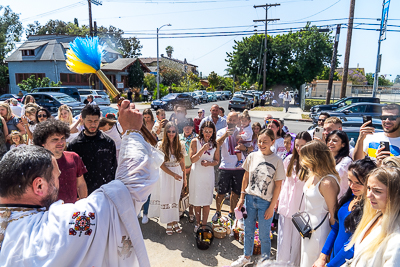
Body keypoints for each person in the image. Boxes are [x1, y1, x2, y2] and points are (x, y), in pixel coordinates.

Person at [0, 99, 163, 266]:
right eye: (56, 176)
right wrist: (132, 132)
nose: (60, 178)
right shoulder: (61, 226)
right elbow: (130, 190)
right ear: (39, 186)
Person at [231, 129, 285, 267]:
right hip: (249, 199)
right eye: (260, 141)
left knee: (264, 236)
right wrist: (241, 197)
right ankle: (246, 257)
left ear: (273, 142)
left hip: (265, 203)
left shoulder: (278, 161)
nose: (261, 144)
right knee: (248, 231)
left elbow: (278, 186)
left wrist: (272, 207)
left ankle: (265, 262)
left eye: (265, 141)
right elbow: (246, 177)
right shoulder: (252, 156)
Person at [313, 158, 377, 267]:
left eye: (358, 183)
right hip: (334, 258)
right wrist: (322, 256)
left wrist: (330, 265)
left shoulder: (370, 209)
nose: (352, 186)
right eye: (350, 180)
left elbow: (352, 247)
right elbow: (336, 228)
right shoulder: (350, 197)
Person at [344, 166, 400, 266]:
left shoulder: (396, 236)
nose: (369, 195)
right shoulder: (376, 216)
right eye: (368, 188)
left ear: (395, 195)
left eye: (377, 191)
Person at [299, 141, 340, 267]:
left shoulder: (327, 182)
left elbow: (334, 216)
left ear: (313, 158)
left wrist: (331, 245)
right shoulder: (312, 175)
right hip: (306, 229)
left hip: (319, 231)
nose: (302, 161)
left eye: (304, 157)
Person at [277, 131, 312, 266]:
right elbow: (284, 182)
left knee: (297, 242)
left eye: (302, 145)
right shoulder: (289, 159)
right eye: (297, 145)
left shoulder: (311, 163)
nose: (299, 148)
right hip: (286, 205)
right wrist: (278, 201)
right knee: (283, 239)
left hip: (301, 207)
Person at [33, 119, 88, 204]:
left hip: (70, 212)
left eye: (63, 138)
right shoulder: (36, 163)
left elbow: (81, 184)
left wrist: (83, 204)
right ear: (42, 142)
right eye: (55, 139)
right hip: (47, 213)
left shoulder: (74, 157)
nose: (61, 142)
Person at [67, 104, 117, 195]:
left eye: (96, 121)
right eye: (89, 121)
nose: (93, 124)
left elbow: (114, 170)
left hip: (105, 194)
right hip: (83, 196)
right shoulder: (74, 145)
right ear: (82, 120)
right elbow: (71, 174)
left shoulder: (108, 142)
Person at [148, 122, 187, 235]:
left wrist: (184, 179)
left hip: (178, 173)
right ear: (165, 132)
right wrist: (173, 174)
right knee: (166, 198)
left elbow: (183, 163)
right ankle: (169, 222)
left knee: (175, 198)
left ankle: (175, 221)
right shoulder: (160, 145)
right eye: (169, 131)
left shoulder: (181, 144)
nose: (171, 134)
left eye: (173, 131)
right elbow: (161, 164)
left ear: (176, 132)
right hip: (166, 174)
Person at [212, 111, 247, 221]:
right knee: (221, 192)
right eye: (229, 120)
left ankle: (231, 212)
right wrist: (225, 135)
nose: (231, 122)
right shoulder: (221, 131)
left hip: (239, 167)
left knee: (235, 192)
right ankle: (218, 212)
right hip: (225, 166)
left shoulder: (243, 132)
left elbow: (250, 147)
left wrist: (244, 148)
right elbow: (216, 143)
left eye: (234, 120)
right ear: (226, 120)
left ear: (238, 121)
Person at [189, 121, 220, 232]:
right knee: (197, 200)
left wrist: (209, 163)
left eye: (210, 132)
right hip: (197, 173)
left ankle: (204, 224)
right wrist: (202, 149)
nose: (208, 134)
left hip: (208, 174)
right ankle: (197, 223)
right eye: (206, 131)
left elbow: (217, 161)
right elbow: (192, 160)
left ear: (213, 132)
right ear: (201, 130)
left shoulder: (215, 144)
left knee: (206, 201)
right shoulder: (195, 141)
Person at [179, 119, 197, 223]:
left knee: (191, 191)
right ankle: (181, 210)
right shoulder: (179, 137)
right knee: (181, 190)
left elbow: (197, 155)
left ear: (192, 127)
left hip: (192, 168)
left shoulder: (196, 138)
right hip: (181, 168)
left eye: (189, 126)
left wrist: (190, 168)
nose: (187, 129)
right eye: (185, 126)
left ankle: (191, 212)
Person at [326, 130, 353, 198]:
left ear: (343, 144)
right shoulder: (325, 159)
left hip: (339, 200)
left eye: (335, 141)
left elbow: (335, 175)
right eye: (328, 140)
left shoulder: (346, 161)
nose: (330, 143)